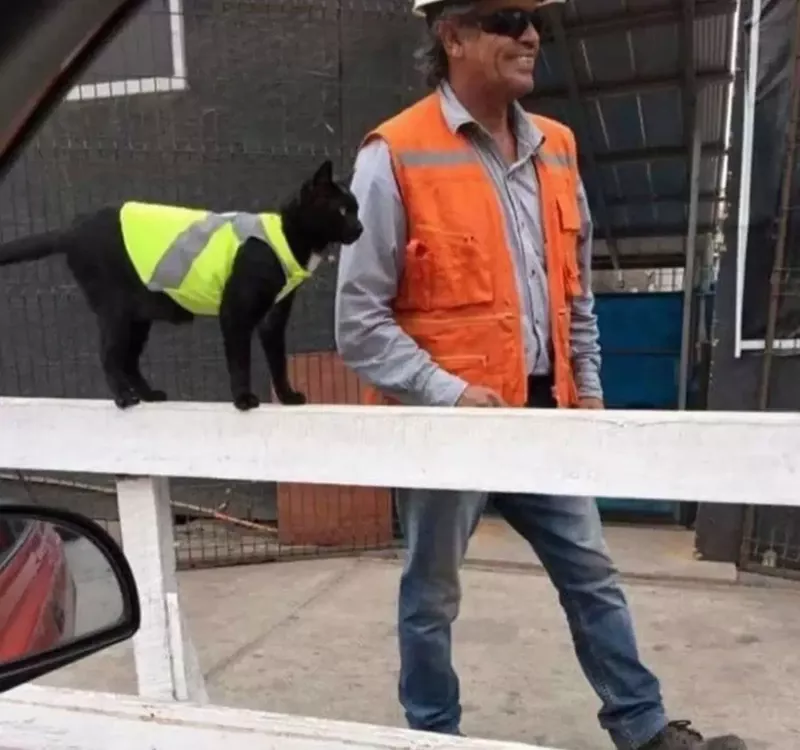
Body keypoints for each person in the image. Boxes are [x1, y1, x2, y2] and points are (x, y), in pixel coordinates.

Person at [334, 1, 748, 748]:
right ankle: (435, 736)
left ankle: (644, 729)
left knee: (592, 575)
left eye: (536, 21)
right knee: (432, 595)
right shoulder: (394, 154)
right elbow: (358, 322)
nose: (529, 35)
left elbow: (574, 292)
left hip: (544, 412)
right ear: (451, 35)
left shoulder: (557, 147)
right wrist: (451, 393)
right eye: (507, 18)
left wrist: (587, 390)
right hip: (449, 426)